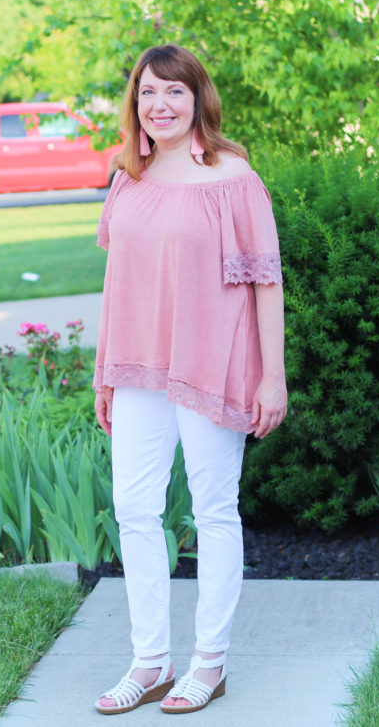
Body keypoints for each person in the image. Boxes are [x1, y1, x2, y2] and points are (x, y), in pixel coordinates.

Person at [93, 44, 287, 715]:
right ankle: (151, 661)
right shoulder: (129, 176)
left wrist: (274, 378)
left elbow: (266, 280)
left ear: (197, 98)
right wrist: (105, 373)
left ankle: (210, 664)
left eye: (174, 92)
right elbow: (119, 283)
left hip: (212, 364)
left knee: (213, 511)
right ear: (136, 104)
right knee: (136, 510)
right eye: (148, 93)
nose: (160, 105)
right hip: (138, 367)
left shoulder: (233, 177)